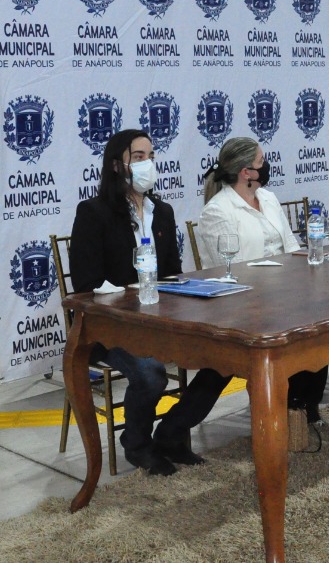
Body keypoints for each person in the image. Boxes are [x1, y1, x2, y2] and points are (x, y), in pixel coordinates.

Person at [69, 129, 231, 476]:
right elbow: (85, 285)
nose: (148, 164)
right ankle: (137, 444)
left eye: (151, 156)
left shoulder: (163, 211)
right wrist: (132, 295)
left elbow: (172, 273)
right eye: (139, 157)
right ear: (117, 165)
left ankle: (172, 433)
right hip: (110, 327)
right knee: (150, 373)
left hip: (160, 318)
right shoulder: (93, 212)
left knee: (225, 356)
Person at [198, 137, 329, 424]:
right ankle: (288, 407)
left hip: (283, 290)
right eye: (261, 161)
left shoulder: (267, 198)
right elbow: (232, 267)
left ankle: (305, 406)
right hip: (244, 299)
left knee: (319, 324)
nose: (266, 166)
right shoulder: (218, 210)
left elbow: (291, 246)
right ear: (246, 172)